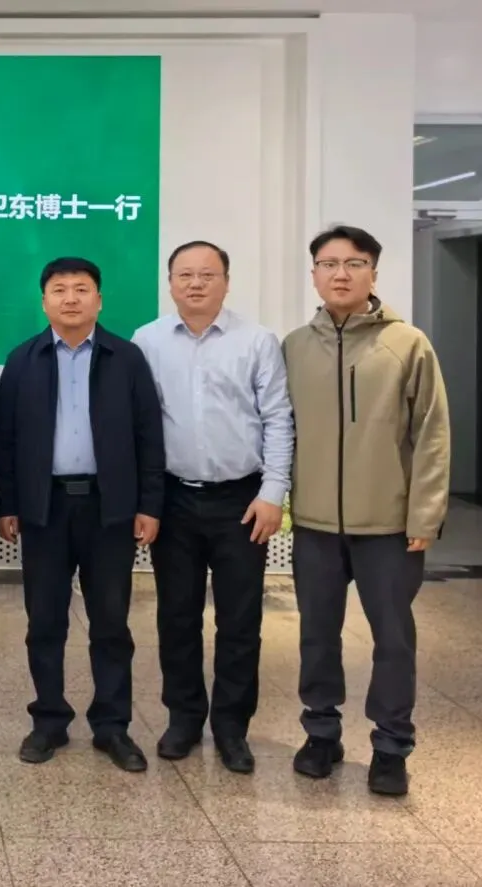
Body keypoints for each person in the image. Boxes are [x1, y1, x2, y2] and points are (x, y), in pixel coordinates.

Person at [284, 225, 450, 797]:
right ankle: (321, 733)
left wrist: (425, 515)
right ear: (313, 274)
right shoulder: (295, 346)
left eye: (354, 263)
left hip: (389, 526)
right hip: (314, 525)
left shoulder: (408, 344)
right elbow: (281, 430)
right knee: (316, 635)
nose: (341, 274)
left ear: (373, 273)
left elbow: (432, 435)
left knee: (394, 639)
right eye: (328, 263)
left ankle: (391, 745)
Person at [0, 257, 165, 771]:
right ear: (44, 301)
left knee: (111, 621)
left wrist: (149, 504)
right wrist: (8, 504)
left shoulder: (126, 358)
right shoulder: (23, 359)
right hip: (43, 508)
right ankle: (49, 721)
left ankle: (113, 726)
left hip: (110, 508)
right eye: (60, 289)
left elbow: (149, 436)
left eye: (82, 289)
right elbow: (5, 439)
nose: (71, 298)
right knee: (44, 620)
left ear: (99, 300)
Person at [132, 241, 294, 774]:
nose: (196, 283)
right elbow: (139, 425)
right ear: (170, 282)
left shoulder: (256, 340)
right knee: (176, 616)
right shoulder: (147, 341)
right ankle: (183, 718)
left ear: (226, 281)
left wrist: (272, 493)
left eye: (207, 274)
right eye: (185, 275)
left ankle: (231, 727)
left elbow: (277, 418)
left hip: (241, 501)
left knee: (240, 620)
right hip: (173, 498)